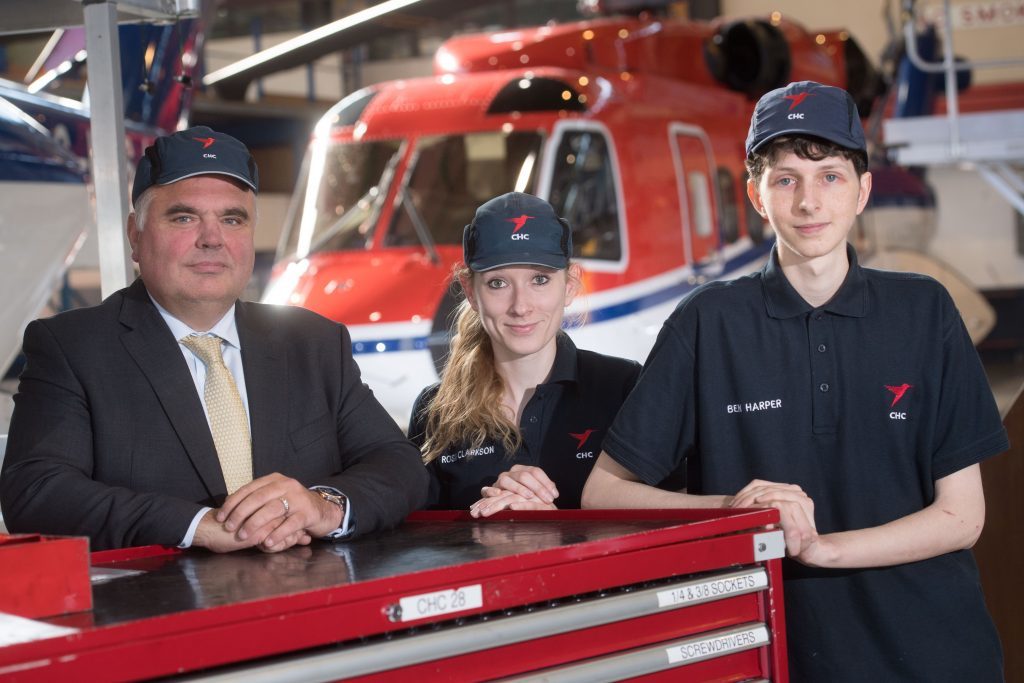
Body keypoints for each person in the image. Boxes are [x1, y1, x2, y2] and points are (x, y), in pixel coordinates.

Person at [581, 82, 1008, 680]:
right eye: (786, 179)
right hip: (771, 651)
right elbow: (604, 493)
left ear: (863, 190)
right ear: (757, 195)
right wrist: (736, 511)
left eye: (830, 176)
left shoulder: (925, 313)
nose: (810, 202)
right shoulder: (708, 322)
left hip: (933, 653)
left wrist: (822, 547)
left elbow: (963, 517)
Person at [0, 126, 428, 552]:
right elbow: (37, 491)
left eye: (232, 219)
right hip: (166, 609)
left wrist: (324, 506)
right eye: (184, 217)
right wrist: (196, 525)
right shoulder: (74, 347)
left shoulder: (313, 342)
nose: (211, 239)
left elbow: (399, 465)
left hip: (313, 602)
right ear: (135, 235)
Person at [408, 192, 641, 513]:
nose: (520, 306)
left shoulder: (624, 387)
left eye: (540, 279)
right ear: (470, 292)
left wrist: (552, 526)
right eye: (498, 283)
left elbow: (667, 517)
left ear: (570, 285)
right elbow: (420, 543)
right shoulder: (434, 409)